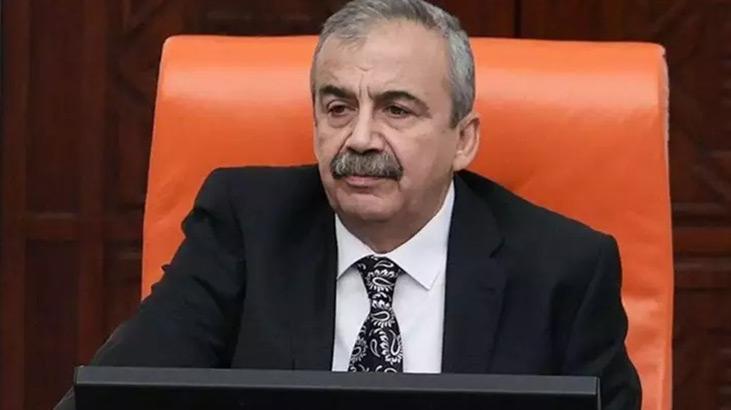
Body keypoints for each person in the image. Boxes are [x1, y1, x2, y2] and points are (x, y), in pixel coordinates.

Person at [55, 0, 641, 408]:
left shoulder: (564, 268)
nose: (359, 139)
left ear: (463, 140)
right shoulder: (245, 228)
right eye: (337, 108)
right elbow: (112, 397)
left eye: (396, 110)